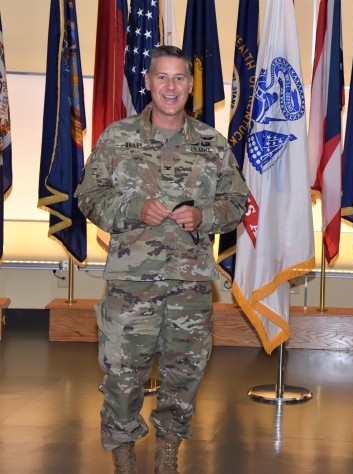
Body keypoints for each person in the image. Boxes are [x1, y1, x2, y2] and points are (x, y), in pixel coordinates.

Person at [75, 46, 249, 474]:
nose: (171, 87)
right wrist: (134, 209)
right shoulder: (118, 138)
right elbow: (88, 197)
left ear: (190, 87)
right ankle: (124, 458)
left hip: (189, 287)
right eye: (163, 78)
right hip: (130, 290)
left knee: (184, 377)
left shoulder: (211, 144)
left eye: (179, 79)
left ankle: (168, 453)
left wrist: (205, 216)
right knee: (122, 377)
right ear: (148, 82)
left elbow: (238, 201)